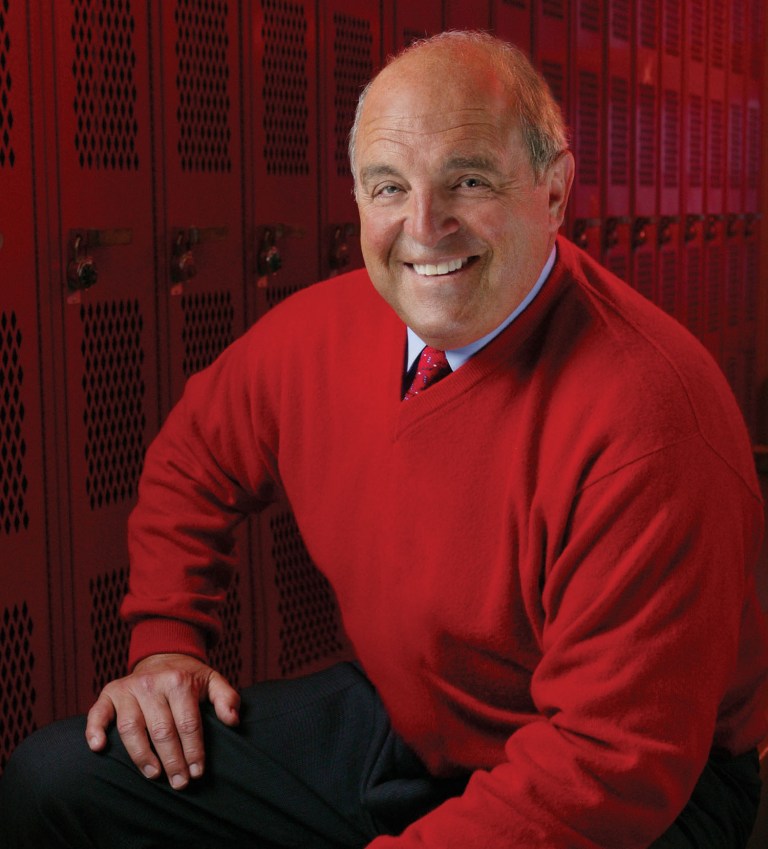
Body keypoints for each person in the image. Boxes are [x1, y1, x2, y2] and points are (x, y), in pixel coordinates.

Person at [1, 30, 767, 849]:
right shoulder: (321, 332)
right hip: (415, 719)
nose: (424, 225)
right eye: (388, 187)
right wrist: (165, 641)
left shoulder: (651, 416)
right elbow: (195, 457)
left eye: (468, 180)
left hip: (646, 792)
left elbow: (613, 762)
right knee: (57, 784)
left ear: (555, 190)